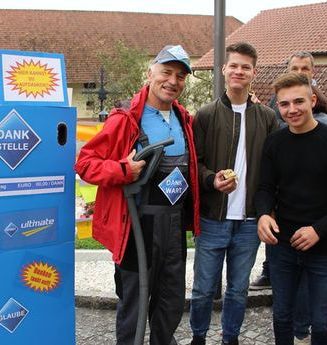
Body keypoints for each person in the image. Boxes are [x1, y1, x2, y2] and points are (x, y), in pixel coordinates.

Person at [75, 45, 199, 345]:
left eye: (180, 76)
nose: (173, 81)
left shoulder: (185, 121)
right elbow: (85, 164)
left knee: (170, 301)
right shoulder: (125, 120)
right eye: (166, 72)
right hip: (136, 227)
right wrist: (121, 170)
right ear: (150, 73)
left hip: (173, 228)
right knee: (134, 302)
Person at [255, 72, 327, 345]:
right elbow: (265, 188)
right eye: (284, 104)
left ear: (313, 100)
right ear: (277, 106)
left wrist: (318, 229)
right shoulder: (274, 143)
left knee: (321, 320)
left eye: (298, 102)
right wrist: (264, 215)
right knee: (281, 316)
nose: (292, 110)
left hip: (323, 248)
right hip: (282, 246)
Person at [189, 42, 278, 345]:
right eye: (234, 65)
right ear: (224, 69)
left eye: (246, 67)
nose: (239, 71)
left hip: (250, 221)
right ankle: (199, 336)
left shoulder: (267, 117)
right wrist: (212, 180)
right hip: (213, 219)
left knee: (238, 290)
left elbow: (275, 167)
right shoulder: (205, 115)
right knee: (202, 290)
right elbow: (194, 163)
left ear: (254, 72)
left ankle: (231, 337)